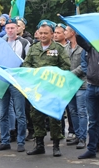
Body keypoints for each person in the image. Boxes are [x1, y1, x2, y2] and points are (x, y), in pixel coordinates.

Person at [23, 20, 71, 157]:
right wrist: (35, 73)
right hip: (37, 89)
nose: (43, 36)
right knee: (36, 116)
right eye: (41, 33)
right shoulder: (33, 48)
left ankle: (56, 146)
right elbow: (26, 64)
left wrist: (52, 76)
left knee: (54, 118)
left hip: (52, 89)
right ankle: (39, 145)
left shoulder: (59, 49)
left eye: (46, 33)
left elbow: (66, 67)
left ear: (51, 34)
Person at [0, 18, 30, 152]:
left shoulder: (25, 43)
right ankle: (5, 140)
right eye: (8, 28)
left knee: (20, 112)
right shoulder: (0, 42)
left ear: (17, 29)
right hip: (2, 80)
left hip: (17, 82)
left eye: (12, 28)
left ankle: (21, 141)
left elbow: (28, 61)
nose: (10, 30)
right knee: (3, 113)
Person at [64, 26, 88, 149]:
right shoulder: (66, 48)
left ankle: (83, 138)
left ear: (73, 32)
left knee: (82, 112)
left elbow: (85, 66)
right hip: (70, 85)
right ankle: (78, 135)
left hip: (81, 84)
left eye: (66, 31)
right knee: (72, 112)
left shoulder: (83, 47)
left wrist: (70, 74)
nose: (64, 32)